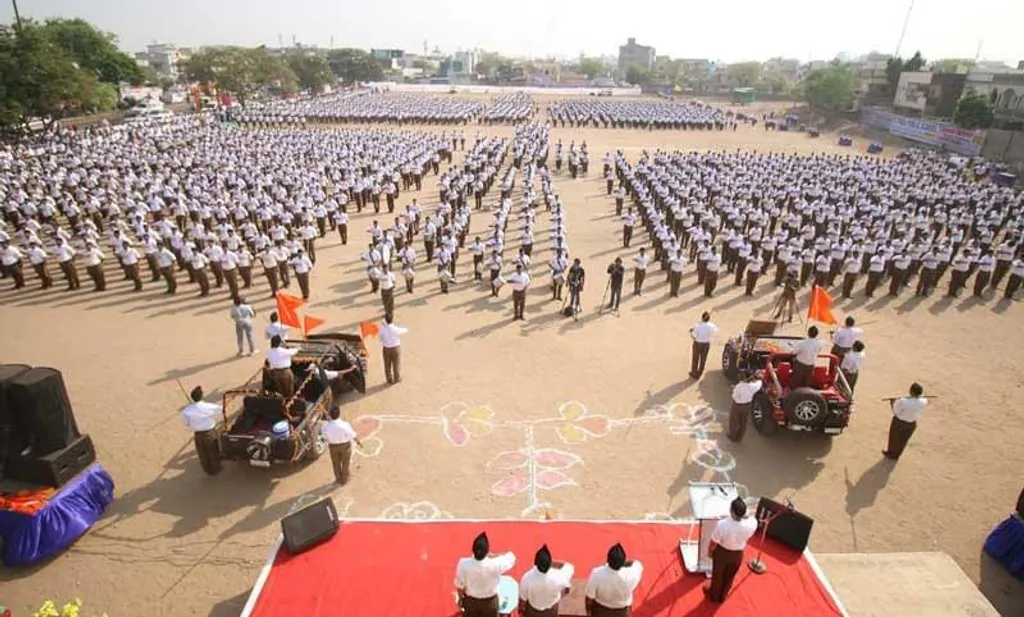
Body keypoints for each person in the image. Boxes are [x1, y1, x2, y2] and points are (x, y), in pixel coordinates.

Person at [704, 497, 757, 603]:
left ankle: (714, 595)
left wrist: (710, 552)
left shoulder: (722, 524)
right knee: (729, 577)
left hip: (722, 553)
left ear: (732, 511)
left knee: (717, 575)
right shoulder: (752, 524)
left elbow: (714, 542)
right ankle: (723, 596)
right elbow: (752, 515)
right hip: (737, 555)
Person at [455, 532, 517, 617]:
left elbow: (460, 585)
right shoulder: (495, 564)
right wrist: (494, 556)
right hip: (490, 603)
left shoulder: (463, 564)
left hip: (471, 602)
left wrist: (460, 599)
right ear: (487, 551)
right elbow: (511, 557)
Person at [584, 543, 643, 617]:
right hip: (622, 612)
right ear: (623, 561)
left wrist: (588, 612)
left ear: (608, 560)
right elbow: (637, 563)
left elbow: (589, 597)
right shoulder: (632, 574)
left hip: (600, 611)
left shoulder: (597, 573)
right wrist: (623, 563)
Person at [519, 545, 574, 617]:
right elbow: (570, 566)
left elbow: (523, 599)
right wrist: (551, 563)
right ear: (550, 563)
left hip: (532, 611)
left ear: (536, 563)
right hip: (551, 611)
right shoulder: (559, 576)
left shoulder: (527, 578)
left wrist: (521, 610)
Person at [180, 386, 223, 475]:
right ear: (202, 395)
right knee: (213, 451)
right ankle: (216, 469)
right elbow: (221, 409)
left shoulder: (186, 411)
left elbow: (186, 423)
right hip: (210, 432)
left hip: (198, 434)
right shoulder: (207, 406)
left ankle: (207, 470)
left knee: (202, 453)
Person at [882, 382, 928, 461]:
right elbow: (921, 398)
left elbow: (896, 411)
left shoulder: (904, 401)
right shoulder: (924, 401)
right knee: (903, 440)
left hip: (900, 422)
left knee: (894, 438)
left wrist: (892, 402)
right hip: (912, 423)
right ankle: (897, 454)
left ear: (911, 392)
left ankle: (891, 453)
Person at [322, 406, 362, 485]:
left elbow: (324, 438)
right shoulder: (344, 425)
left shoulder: (325, 426)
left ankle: (338, 479)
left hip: (333, 447)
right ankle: (345, 479)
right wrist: (358, 442)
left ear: (330, 415)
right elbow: (352, 435)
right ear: (339, 414)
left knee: (335, 463)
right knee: (345, 463)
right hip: (345, 446)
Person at [728, 372, 763, 442]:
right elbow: (759, 383)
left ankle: (733, 436)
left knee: (734, 421)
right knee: (743, 422)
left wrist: (734, 389)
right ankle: (740, 437)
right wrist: (759, 378)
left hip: (737, 406)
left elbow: (734, 396)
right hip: (747, 406)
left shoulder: (739, 386)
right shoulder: (753, 386)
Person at [689, 312, 718, 379]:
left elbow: (694, 335)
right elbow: (715, 331)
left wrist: (691, 332)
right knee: (703, 359)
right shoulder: (711, 325)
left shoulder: (697, 326)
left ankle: (694, 372)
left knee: (695, 359)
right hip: (706, 344)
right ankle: (699, 372)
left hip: (697, 344)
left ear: (702, 318)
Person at [380, 315, 407, 384]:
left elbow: (380, 339)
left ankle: (389, 379)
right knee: (396, 364)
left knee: (387, 365)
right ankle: (397, 378)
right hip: (396, 348)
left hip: (386, 349)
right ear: (392, 320)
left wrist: (383, 326)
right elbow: (405, 330)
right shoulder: (395, 329)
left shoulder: (382, 330)